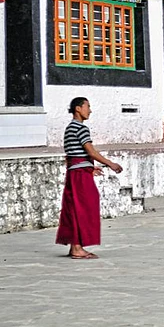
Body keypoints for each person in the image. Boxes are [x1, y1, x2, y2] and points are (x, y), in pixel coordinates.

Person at [56, 97, 123, 259]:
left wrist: (89, 167)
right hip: (80, 176)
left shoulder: (69, 128)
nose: (90, 110)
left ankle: (75, 246)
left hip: (75, 172)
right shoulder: (80, 128)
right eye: (88, 106)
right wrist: (110, 163)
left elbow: (72, 155)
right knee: (85, 207)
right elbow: (90, 151)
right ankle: (77, 247)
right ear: (78, 109)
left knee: (74, 208)